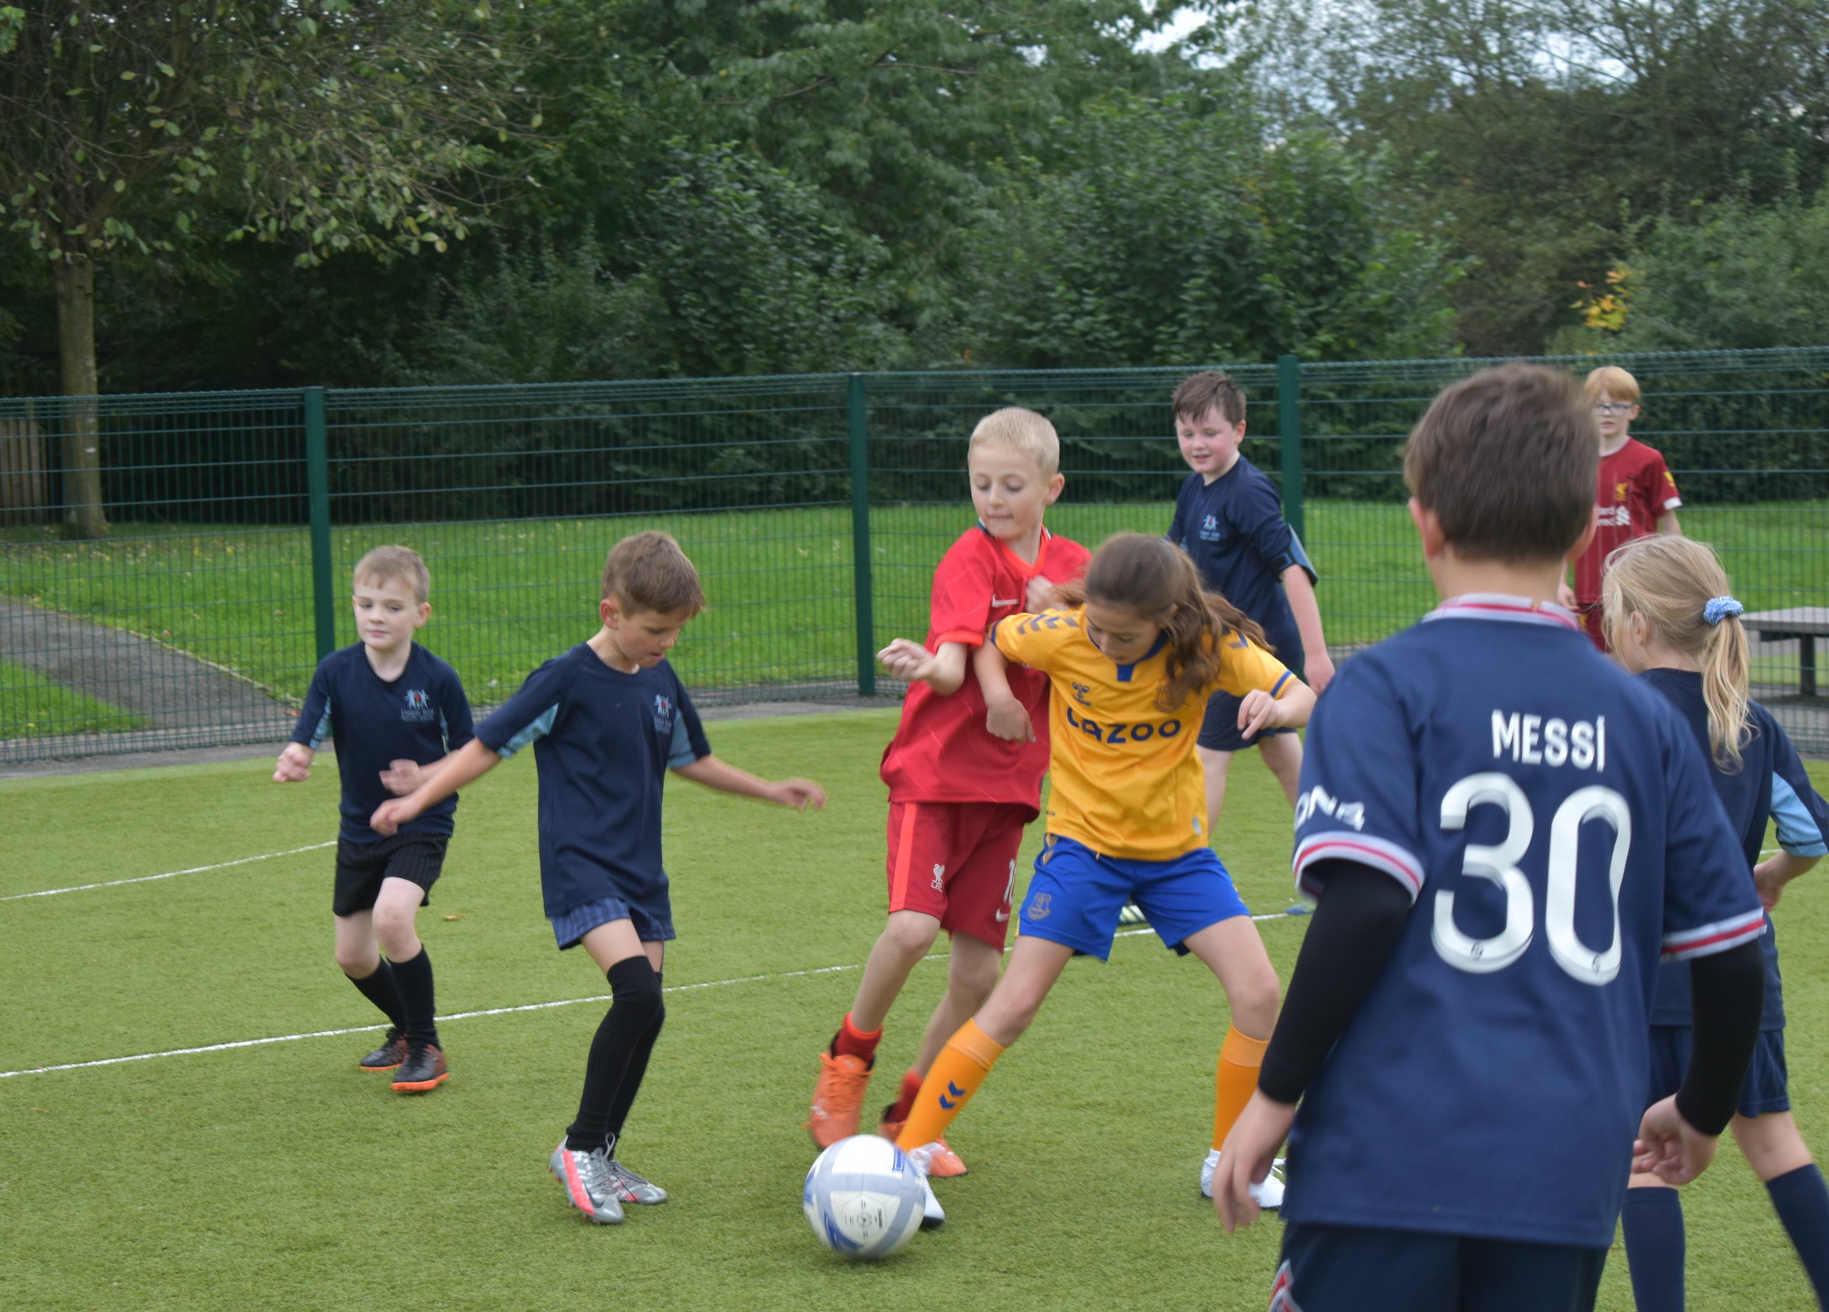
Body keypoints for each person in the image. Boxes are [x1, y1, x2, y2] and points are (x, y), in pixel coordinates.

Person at [1213, 363, 1770, 1312]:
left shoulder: (1379, 688)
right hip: (1561, 1178)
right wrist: (1699, 1107)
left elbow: (1367, 905)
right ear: (1574, 537)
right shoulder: (1641, 721)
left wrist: (1274, 1092)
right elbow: (1734, 957)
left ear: (1422, 522)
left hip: (1385, 1158)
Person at [371, 530, 825, 1225]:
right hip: (581, 866)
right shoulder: (564, 678)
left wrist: (768, 789)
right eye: (655, 630)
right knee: (637, 995)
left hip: (643, 872)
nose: (667, 642)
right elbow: (487, 747)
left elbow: (690, 758)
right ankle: (579, 1147)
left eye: (675, 631)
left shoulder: (662, 679)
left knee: (651, 1010)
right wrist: (416, 798)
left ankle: (604, 1151)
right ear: (612, 613)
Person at [885, 531, 1314, 1222]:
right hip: (1081, 850)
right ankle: (909, 1150)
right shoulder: (1062, 631)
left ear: (1169, 617)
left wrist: (1275, 708)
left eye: (1123, 635)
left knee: (1260, 992)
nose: (1105, 643)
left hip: (1179, 857)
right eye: (1098, 629)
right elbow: (999, 636)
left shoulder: (1208, 646)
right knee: (1014, 1003)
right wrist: (1000, 695)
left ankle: (1231, 1160)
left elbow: (1300, 694)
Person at [805, 406, 1092, 1179]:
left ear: (1051, 487)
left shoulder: (1076, 565)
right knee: (908, 930)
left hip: (1007, 791)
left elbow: (1101, 637)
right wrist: (921, 663)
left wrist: (1064, 604)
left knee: (979, 973)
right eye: (980, 484)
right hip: (934, 777)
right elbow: (955, 669)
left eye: (1010, 485)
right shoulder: (966, 558)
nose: (993, 499)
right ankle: (847, 1061)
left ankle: (914, 1113)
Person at [1601, 535, 1829, 1312]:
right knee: (1775, 1144)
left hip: (1642, 982)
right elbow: (1810, 835)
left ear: (1632, 628)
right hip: (1743, 974)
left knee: (1642, 1159)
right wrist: (1772, 873)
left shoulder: (1614, 719)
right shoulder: (1753, 721)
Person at [275, 545, 471, 1094]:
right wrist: (297, 754)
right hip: (359, 828)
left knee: (392, 920)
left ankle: (427, 1045)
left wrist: (424, 777)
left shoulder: (438, 679)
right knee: (353, 956)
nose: (376, 616)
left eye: (391, 606)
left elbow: (473, 752)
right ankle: (406, 1031)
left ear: (420, 614)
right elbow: (309, 727)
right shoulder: (335, 671)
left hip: (422, 824)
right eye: (366, 604)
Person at [1165, 370, 1334, 839]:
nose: (1197, 444)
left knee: (1207, 757)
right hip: (1219, 641)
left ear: (1239, 431)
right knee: (1280, 752)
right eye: (1187, 433)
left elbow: (1293, 568)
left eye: (1210, 433)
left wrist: (1317, 655)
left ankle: (1176, 875)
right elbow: (1171, 558)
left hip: (1252, 649)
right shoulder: (1193, 486)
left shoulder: (1248, 491)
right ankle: (1337, 855)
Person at [1564, 364, 1683, 651]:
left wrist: (1676, 576)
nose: (1607, 413)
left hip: (1637, 593)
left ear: (1633, 411)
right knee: (1593, 675)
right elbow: (1563, 531)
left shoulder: (1648, 460)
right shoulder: (1574, 462)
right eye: (1599, 405)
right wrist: (1558, 582)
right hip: (1587, 596)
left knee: (1637, 672)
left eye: (1617, 406)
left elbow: (1670, 526)